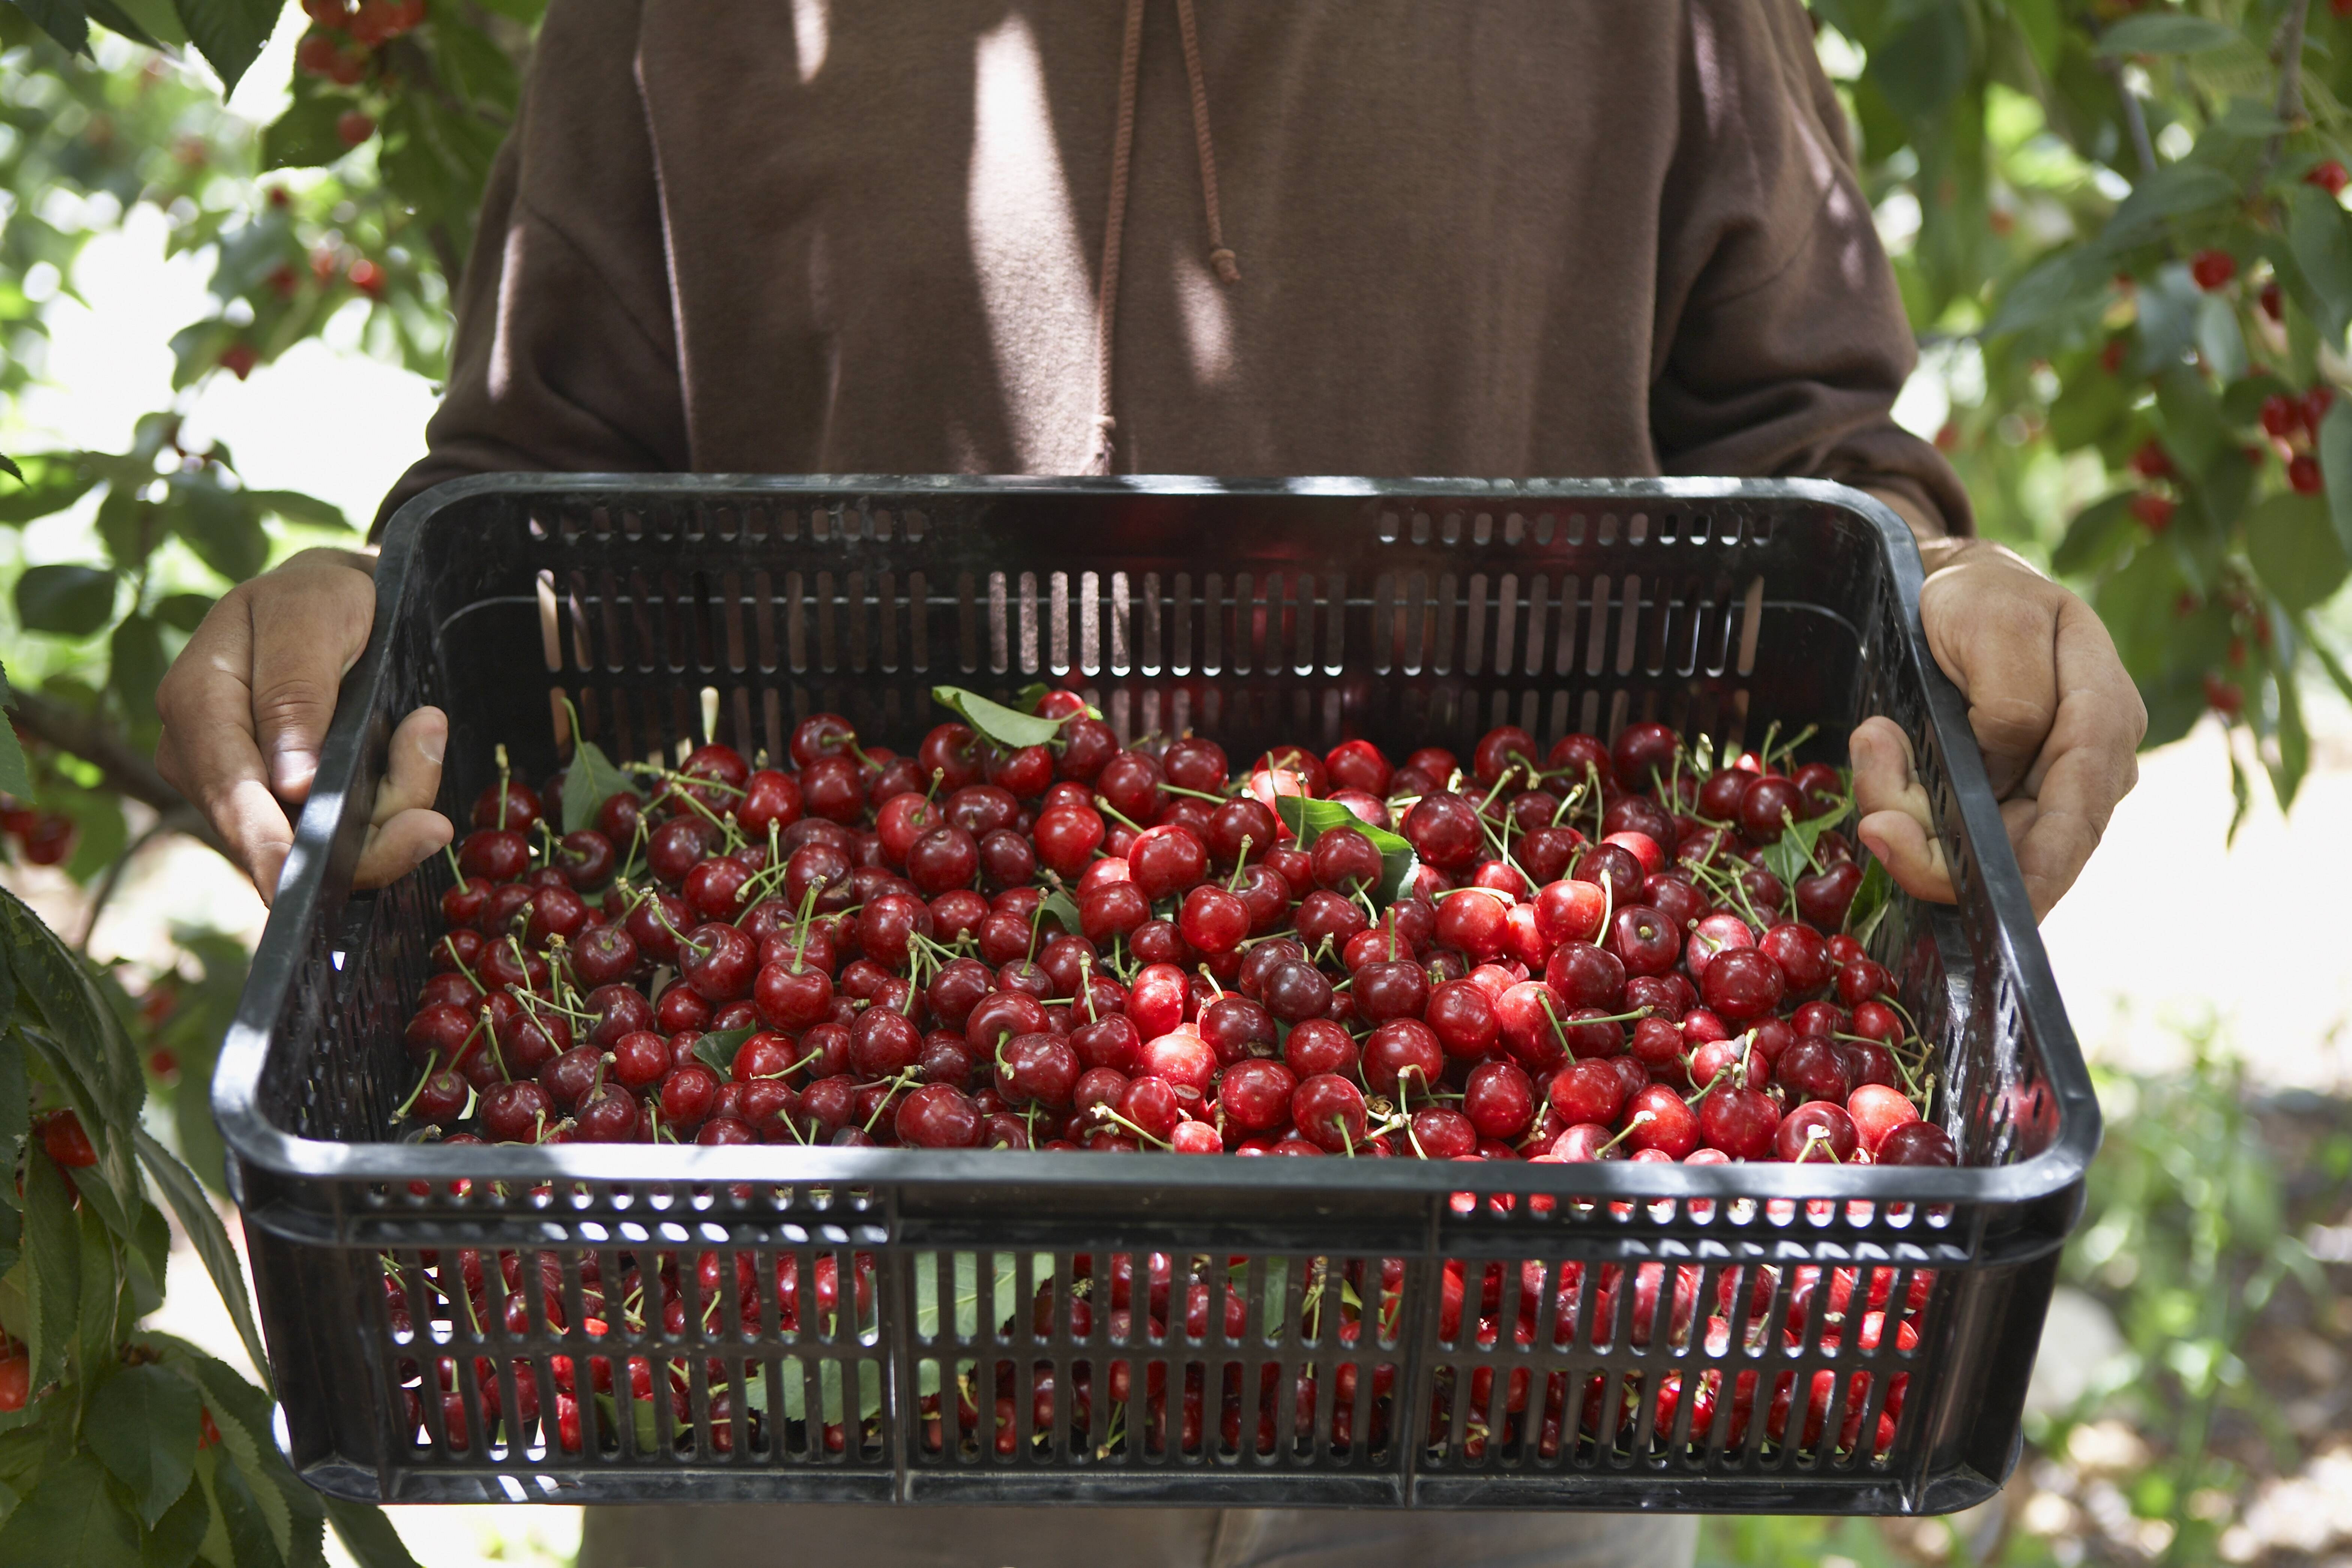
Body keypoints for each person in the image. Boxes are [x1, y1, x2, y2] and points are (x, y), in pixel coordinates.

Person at [154, 3, 2145, 1563]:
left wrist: (1934, 579)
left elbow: (1802, 442)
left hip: (1510, 1351)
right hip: (827, 1364)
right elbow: (534, 486)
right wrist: (374, 608)